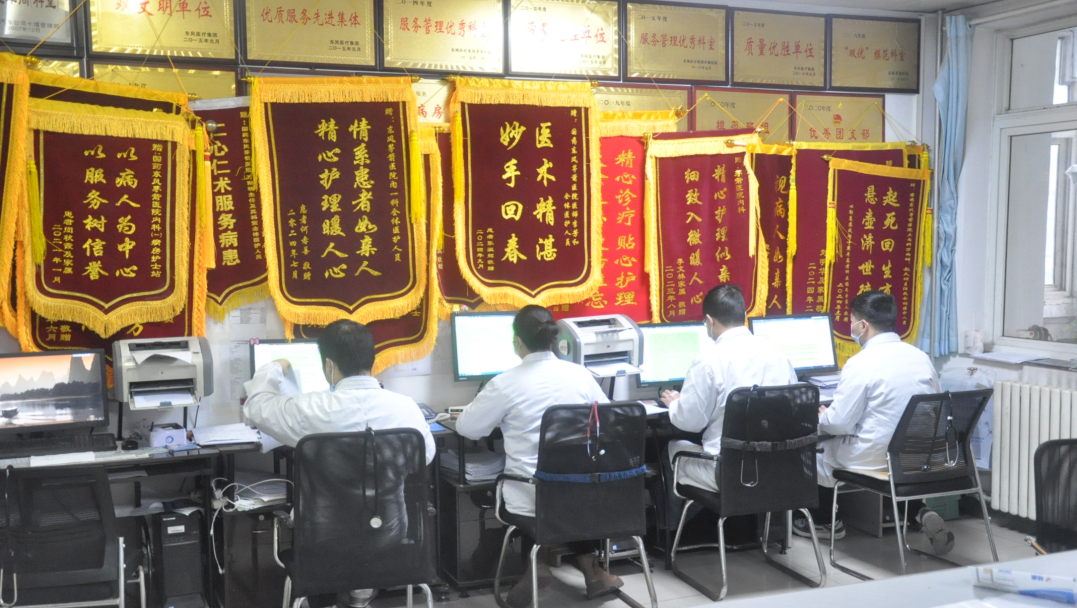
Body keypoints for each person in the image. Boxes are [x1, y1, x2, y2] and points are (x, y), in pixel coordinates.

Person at [243, 319, 436, 608]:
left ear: (329, 365)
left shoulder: (309, 409)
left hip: (325, 544)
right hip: (391, 539)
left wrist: (275, 367)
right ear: (371, 359)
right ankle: (360, 595)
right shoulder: (406, 407)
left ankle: (335, 597)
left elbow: (257, 407)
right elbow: (424, 457)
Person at [455, 305, 618, 607]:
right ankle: (592, 570)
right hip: (581, 494)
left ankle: (537, 564)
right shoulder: (580, 375)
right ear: (554, 338)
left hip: (529, 496)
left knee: (535, 487)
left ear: (517, 341)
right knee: (561, 488)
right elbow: (608, 421)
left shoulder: (505, 382)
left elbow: (468, 428)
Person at [794, 291, 951, 554]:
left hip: (872, 456)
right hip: (917, 455)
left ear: (863, 325)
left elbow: (838, 424)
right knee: (888, 459)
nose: (851, 327)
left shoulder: (861, 363)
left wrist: (823, 416)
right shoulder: (920, 357)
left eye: (852, 321)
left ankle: (824, 523)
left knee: (815, 452)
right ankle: (918, 512)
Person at [660, 285, 798, 492]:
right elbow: (792, 406)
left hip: (730, 472)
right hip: (776, 467)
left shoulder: (708, 360)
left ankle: (689, 515)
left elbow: (690, 422)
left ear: (709, 321)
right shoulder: (778, 354)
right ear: (744, 315)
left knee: (670, 449)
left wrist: (675, 404)